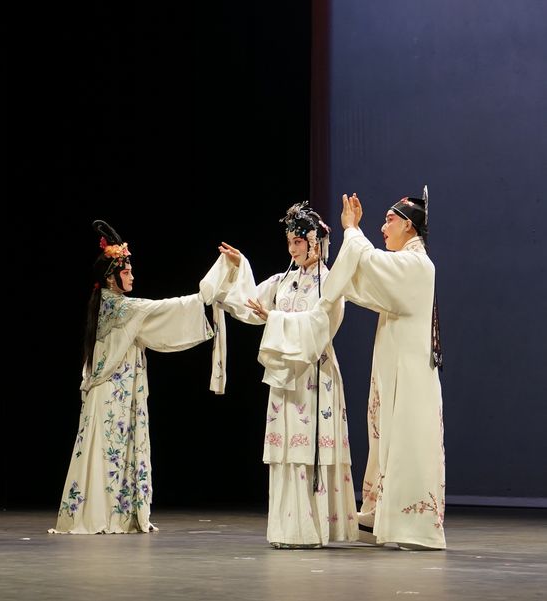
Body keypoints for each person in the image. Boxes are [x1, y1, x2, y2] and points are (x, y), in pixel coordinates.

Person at [49, 220, 246, 534]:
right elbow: (166, 309)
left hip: (117, 392)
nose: (132, 276)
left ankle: (118, 515)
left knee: (116, 450)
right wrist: (219, 274)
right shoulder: (120, 308)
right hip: (111, 394)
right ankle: (103, 515)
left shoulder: (112, 306)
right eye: (126, 272)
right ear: (110, 278)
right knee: (107, 452)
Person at [217, 202, 358, 549]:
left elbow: (321, 324)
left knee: (307, 449)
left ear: (315, 242)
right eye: (290, 242)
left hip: (314, 375)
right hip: (284, 377)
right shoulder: (285, 280)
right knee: (286, 451)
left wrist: (275, 318)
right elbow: (248, 305)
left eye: (298, 242)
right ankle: (288, 530)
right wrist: (239, 267)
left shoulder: (329, 284)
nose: (292, 249)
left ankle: (312, 530)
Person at [321, 189, 446, 551]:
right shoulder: (408, 263)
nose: (383, 227)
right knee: (387, 433)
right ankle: (382, 514)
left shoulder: (418, 265)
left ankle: (413, 525)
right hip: (398, 368)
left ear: (409, 225)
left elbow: (370, 264)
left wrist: (351, 229)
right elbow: (369, 277)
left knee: (406, 437)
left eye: (389, 220)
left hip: (410, 375)